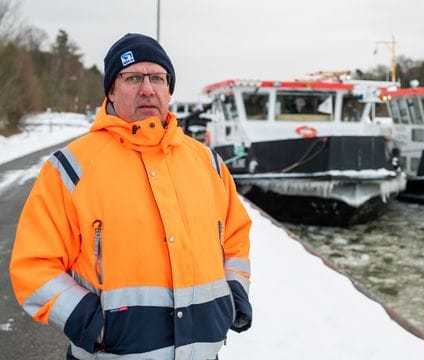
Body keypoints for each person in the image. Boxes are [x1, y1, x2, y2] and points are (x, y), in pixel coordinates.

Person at [9, 33, 252, 359]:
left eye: (157, 78)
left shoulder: (207, 163)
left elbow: (235, 241)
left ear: (169, 89)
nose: (148, 88)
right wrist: (92, 324)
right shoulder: (71, 169)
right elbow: (34, 265)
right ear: (111, 89)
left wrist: (233, 294)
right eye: (133, 77)